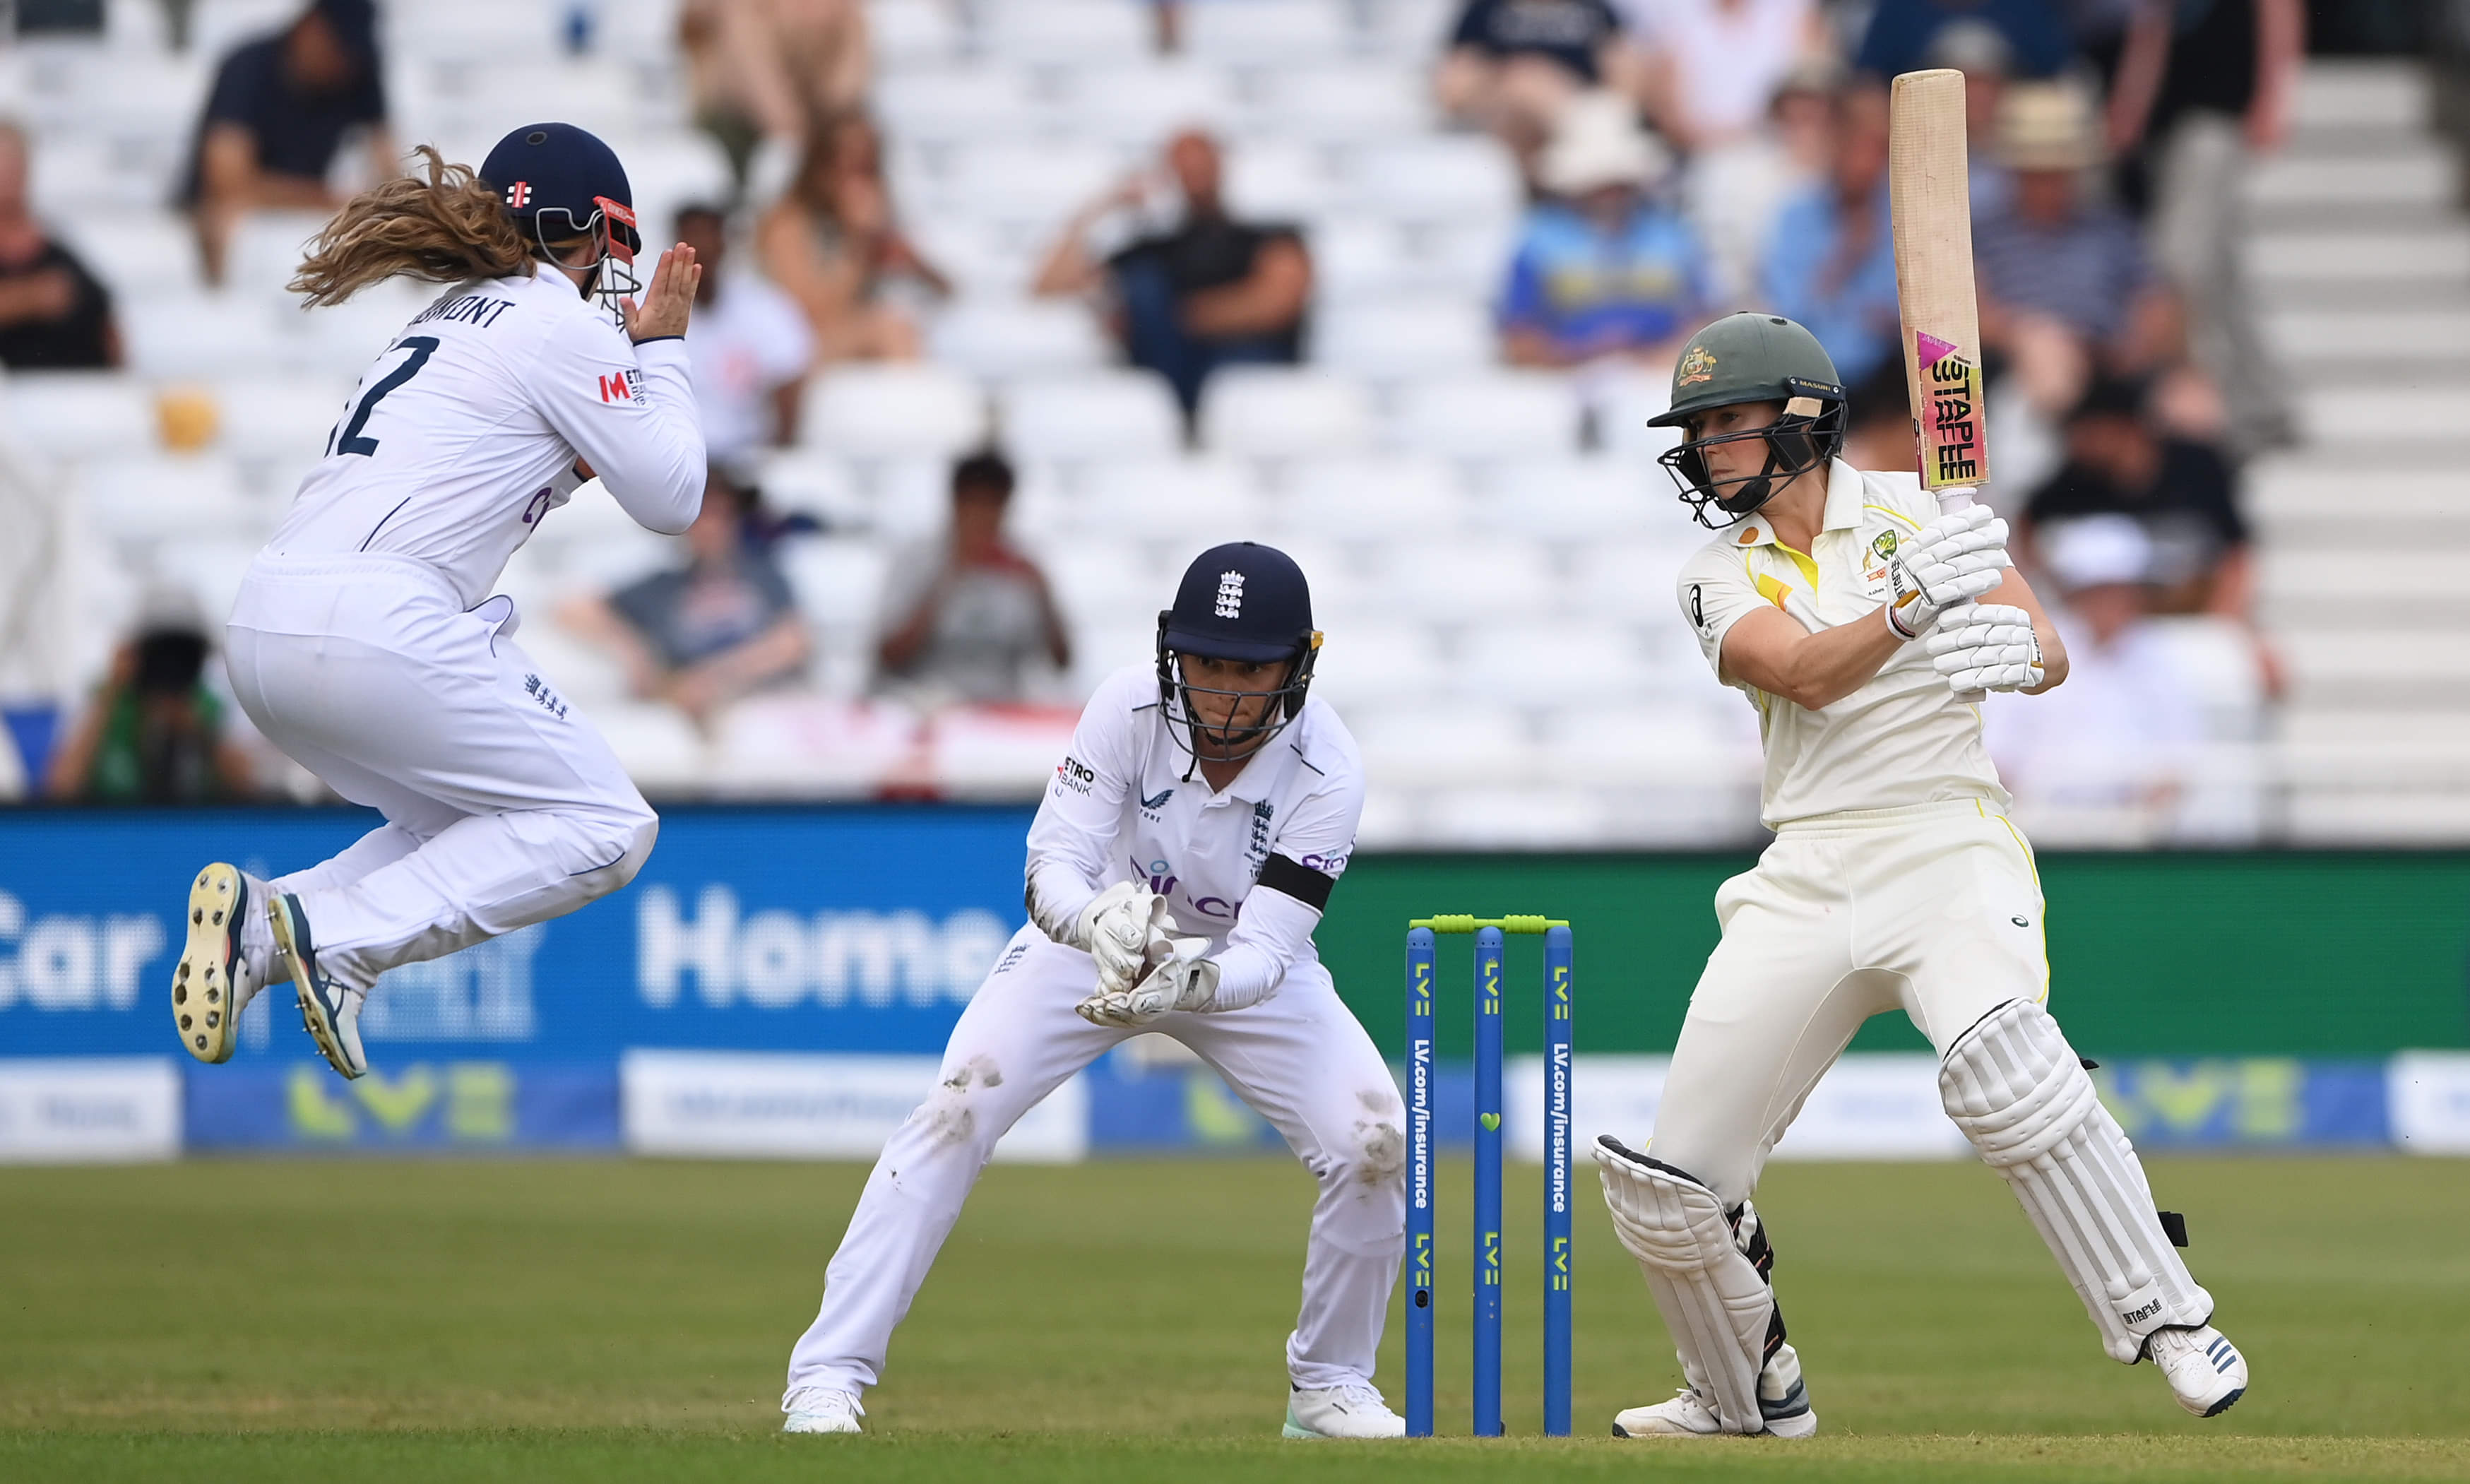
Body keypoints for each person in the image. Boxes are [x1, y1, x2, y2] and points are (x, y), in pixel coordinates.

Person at [1591, 311, 2245, 1440]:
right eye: (1696, 431)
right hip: (1806, 866)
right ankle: (1741, 1390)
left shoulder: (1921, 511)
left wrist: (2016, 649)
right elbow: (1800, 674)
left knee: (2004, 1067)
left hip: (1946, 839)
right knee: (1668, 1185)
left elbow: (2045, 650)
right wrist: (1907, 611)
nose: (1705, 451)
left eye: (1727, 426)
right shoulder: (1713, 575)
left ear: (1802, 422)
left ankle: (2167, 1315)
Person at [777, 542, 1405, 1440]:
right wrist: (1096, 926)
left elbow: (1269, 949)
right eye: (1208, 664)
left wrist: (1195, 978)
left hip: (1240, 966)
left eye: (1250, 670)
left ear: (1298, 663)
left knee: (1373, 1142)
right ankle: (826, 1377)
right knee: (956, 1108)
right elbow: (1051, 866)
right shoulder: (1126, 705)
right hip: (1096, 935)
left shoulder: (1328, 765)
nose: (1224, 693)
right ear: (1172, 653)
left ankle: (1330, 1384)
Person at [170, 124, 707, 1084]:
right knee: (606, 825)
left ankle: (261, 926)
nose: (612, 273)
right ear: (574, 229)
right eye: (609, 245)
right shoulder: (558, 325)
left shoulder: (441, 322)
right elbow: (674, 497)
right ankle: (337, 939)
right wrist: (661, 349)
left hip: (266, 624)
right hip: (373, 624)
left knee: (468, 825)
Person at [2104, 0, 2302, 453]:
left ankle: (2218, 408)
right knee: (2221, 274)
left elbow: (2278, 11)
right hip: (2169, 122)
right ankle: (2267, 403)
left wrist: (2274, 97)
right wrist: (2132, 101)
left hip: (2216, 114)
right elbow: (2151, 24)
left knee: (2181, 263)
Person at [1034, 131, 1310, 423]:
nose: (1193, 172)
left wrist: (1163, 316)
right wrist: (1104, 205)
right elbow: (1048, 286)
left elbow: (1277, 304)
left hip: (1245, 371)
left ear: (1220, 163)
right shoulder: (1152, 250)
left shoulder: (1267, 236)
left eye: (1200, 161)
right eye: (1182, 164)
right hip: (1166, 375)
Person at [1983, 515, 2206, 841]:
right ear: (2075, 592)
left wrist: (2139, 820)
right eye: (2100, 590)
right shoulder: (2033, 644)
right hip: (2039, 830)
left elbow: (2181, 760)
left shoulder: (2163, 657)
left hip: (2138, 834)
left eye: (2122, 590)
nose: (2113, 602)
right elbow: (1999, 754)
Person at [1972, 80, 2184, 417]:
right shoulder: (1983, 232)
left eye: (2058, 170)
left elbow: (2157, 300)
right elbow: (1971, 310)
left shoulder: (2111, 228)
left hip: (2111, 362)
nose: (2049, 183)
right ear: (2016, 172)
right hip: (2017, 366)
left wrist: (2136, 346)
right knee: (2047, 357)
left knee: (2192, 403)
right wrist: (2022, 333)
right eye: (2037, 172)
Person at [560, 471, 812, 728]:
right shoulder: (662, 585)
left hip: (755, 704)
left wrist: (716, 678)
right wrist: (632, 650)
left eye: (721, 515)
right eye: (701, 516)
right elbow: (573, 608)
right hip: (681, 713)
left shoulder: (763, 574)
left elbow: (792, 643)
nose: (710, 526)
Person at [179, 0, 393, 287]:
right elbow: (226, 181)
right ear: (311, 28)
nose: (341, 63)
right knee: (229, 221)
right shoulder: (249, 66)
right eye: (337, 48)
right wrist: (330, 200)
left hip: (303, 215)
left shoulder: (358, 69)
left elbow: (389, 165)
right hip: (226, 220)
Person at [1499, 93, 1709, 369]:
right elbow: (1518, 337)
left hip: (1662, 375)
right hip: (1564, 380)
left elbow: (1704, 319)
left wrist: (1663, 359)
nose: (1609, 192)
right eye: (1599, 182)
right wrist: (1580, 356)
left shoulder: (1671, 234)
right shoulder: (1538, 240)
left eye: (1616, 181)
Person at [875, 451, 1071, 706]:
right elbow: (888, 656)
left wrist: (1043, 592)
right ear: (955, 502)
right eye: (974, 503)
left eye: (994, 504)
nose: (983, 516)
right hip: (926, 706)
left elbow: (1062, 664)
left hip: (1001, 711)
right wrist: (950, 577)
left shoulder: (1022, 568)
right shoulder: (917, 559)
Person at [756, 114, 944, 365]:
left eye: (867, 167)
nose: (858, 182)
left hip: (854, 346)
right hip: (792, 354)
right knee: (891, 330)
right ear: (821, 169)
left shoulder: (880, 218)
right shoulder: (787, 224)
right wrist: (858, 243)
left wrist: (915, 264)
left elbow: (947, 292)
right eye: (848, 167)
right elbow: (807, 318)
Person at [1755, 82, 1903, 387]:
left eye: (1876, 148)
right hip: (1812, 376)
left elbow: (1899, 317)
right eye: (1853, 145)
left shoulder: (1903, 217)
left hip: (1891, 381)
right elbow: (1790, 316)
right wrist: (1847, 256)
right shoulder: (1796, 216)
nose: (1863, 162)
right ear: (1833, 143)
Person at [47, 606, 257, 804]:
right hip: (114, 835)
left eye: (182, 655)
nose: (169, 666)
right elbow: (61, 789)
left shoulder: (213, 705)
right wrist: (109, 699)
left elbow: (249, 790)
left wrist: (202, 732)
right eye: (158, 654)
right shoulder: (102, 700)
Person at [679, 0, 871, 198]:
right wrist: (791, 131)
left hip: (814, 126)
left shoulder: (844, 15)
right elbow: (746, 64)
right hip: (736, 125)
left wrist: (833, 123)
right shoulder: (740, 16)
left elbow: (848, 79)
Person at [675, 204, 812, 474]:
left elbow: (789, 380)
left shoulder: (764, 307)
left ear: (725, 243)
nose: (701, 247)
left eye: (709, 236)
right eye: (692, 238)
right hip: (674, 462)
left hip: (745, 465)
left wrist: (774, 466)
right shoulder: (647, 310)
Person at [1437, 0, 1643, 166]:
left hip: (1581, 109)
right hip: (1508, 121)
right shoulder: (1485, 10)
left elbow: (1625, 80)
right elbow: (1454, 91)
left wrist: (1560, 90)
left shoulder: (1593, 9)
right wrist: (1518, 76)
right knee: (1525, 84)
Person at [0, 121, 121, 369]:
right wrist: (28, 298)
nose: (7, 176)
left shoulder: (60, 255)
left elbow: (107, 327)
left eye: (13, 165)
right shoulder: (48, 279)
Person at [1853, 0, 2075, 81]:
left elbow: (2061, 78)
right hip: (1925, 144)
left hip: (2014, 161)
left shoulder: (2027, 9)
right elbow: (1867, 85)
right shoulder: (1898, 11)